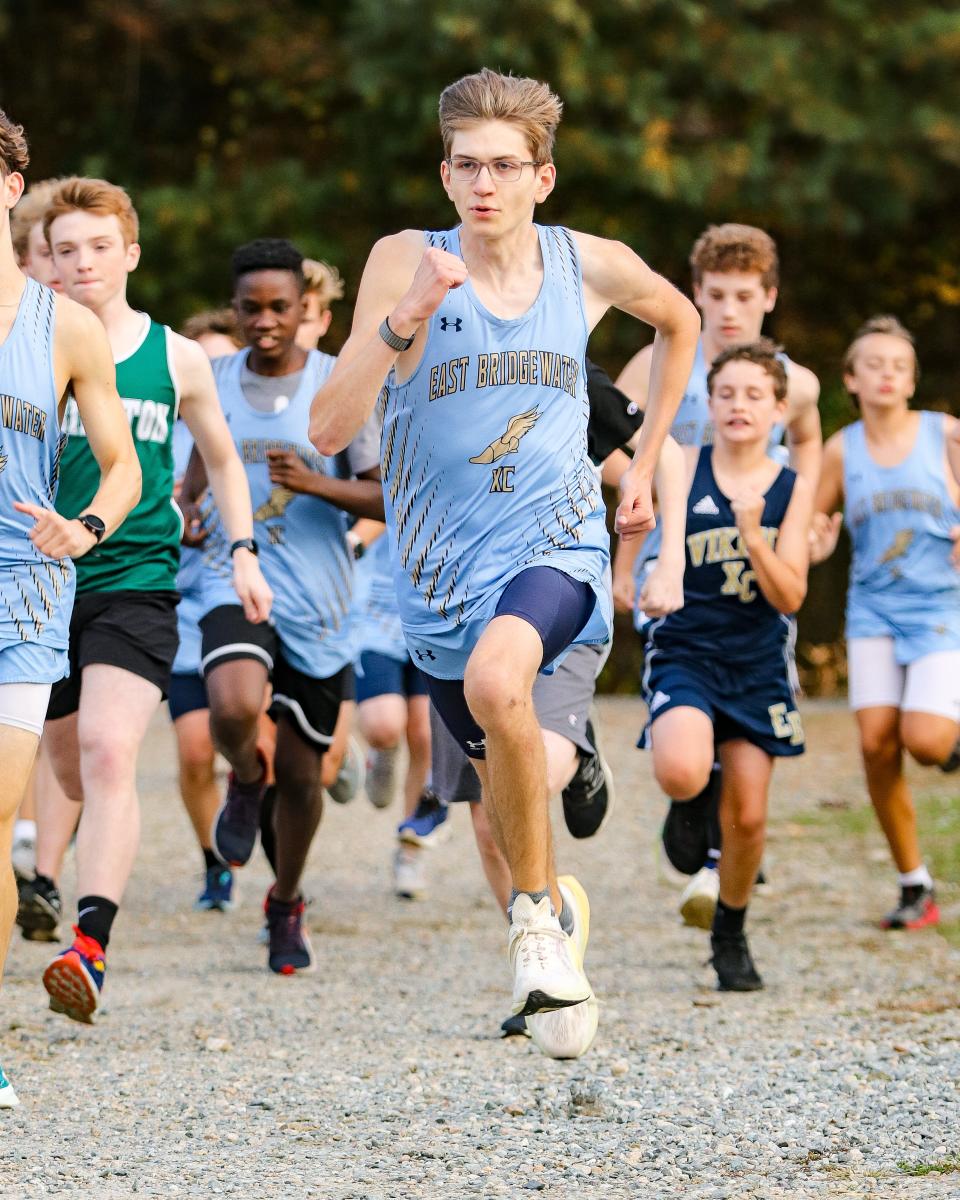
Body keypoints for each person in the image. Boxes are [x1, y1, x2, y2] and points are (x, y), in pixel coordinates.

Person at [310, 68, 700, 1058]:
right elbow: (328, 426)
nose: (485, 183)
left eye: (505, 166)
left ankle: (534, 927)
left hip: (554, 546)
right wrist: (402, 319)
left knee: (499, 679)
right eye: (468, 165)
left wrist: (643, 467)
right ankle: (551, 920)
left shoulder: (588, 266)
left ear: (543, 177)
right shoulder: (406, 259)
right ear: (445, 175)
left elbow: (681, 319)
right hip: (436, 581)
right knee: (495, 794)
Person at [28, 177, 272, 1025]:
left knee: (106, 751)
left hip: (134, 579)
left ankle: (89, 945)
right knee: (65, 769)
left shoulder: (174, 357)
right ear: (45, 260)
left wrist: (242, 551)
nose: (83, 263)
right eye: (66, 250)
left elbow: (226, 461)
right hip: (32, 585)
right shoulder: (29, 345)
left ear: (130, 253)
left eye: (100, 247)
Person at [613, 223, 822, 924]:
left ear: (768, 298)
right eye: (714, 296)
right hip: (667, 568)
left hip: (749, 565)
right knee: (685, 734)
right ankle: (694, 793)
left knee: (748, 737)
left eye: (743, 296)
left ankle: (715, 850)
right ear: (694, 295)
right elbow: (609, 451)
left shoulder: (792, 383)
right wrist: (621, 554)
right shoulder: (653, 360)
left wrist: (813, 520)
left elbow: (809, 449)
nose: (729, 310)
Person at [187, 238, 383, 974]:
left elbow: (384, 495)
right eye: (250, 308)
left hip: (320, 600)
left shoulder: (339, 385)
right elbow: (195, 473)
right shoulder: (210, 378)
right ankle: (243, 777)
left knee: (304, 775)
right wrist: (189, 513)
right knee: (234, 708)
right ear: (234, 310)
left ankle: (286, 900)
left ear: (306, 310)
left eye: (279, 307)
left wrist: (313, 483)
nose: (264, 321)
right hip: (230, 578)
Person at [0, 112, 140, 1104]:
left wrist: (86, 524)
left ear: (13, 185)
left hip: (24, 587)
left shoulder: (67, 329)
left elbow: (124, 464)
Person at [642, 339, 812, 990]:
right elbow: (641, 516)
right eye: (726, 393)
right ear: (709, 405)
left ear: (777, 409)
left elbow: (791, 594)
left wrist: (751, 537)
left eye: (754, 395)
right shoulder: (683, 463)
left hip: (756, 659)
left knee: (749, 819)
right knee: (682, 769)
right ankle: (690, 797)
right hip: (687, 646)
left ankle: (731, 931)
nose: (739, 405)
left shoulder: (792, 486)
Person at [811, 316, 960, 929]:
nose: (887, 374)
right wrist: (814, 542)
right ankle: (914, 884)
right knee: (876, 746)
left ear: (911, 379)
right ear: (851, 378)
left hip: (941, 609)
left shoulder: (945, 434)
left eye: (898, 365)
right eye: (873, 363)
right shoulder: (840, 449)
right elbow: (811, 523)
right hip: (872, 608)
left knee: (923, 740)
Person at [169, 308, 247, 912]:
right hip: (177, 608)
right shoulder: (155, 428)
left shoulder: (253, 425)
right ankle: (213, 862)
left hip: (247, 607)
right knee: (196, 752)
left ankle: (269, 850)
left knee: (261, 749)